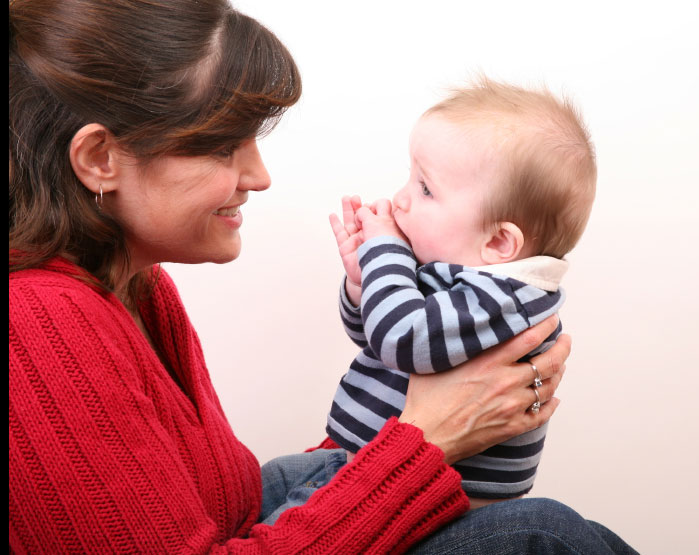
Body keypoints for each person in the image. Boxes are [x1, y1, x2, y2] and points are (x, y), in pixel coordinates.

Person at [8, 0, 635, 553]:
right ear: (99, 158)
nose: (259, 175)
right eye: (226, 146)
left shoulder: (135, 288)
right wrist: (425, 441)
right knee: (544, 534)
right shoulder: (35, 327)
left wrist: (369, 463)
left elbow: (224, 509)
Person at [316, 80, 594, 509]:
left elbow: (399, 339)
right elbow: (375, 336)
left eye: (426, 189)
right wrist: (361, 282)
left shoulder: (506, 298)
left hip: (432, 498)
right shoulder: (463, 276)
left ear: (500, 244)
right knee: (265, 481)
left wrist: (384, 252)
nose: (400, 199)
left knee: (282, 516)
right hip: (374, 466)